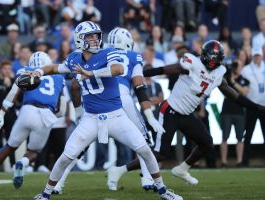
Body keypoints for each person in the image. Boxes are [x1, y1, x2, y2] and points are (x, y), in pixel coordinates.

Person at [32, 21, 182, 200]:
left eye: (96, 36)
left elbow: (118, 69)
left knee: (145, 151)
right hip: (91, 118)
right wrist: (37, 73)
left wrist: (91, 73)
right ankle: (45, 194)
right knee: (66, 157)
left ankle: (163, 190)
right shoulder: (74, 59)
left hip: (116, 115)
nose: (95, 39)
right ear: (80, 40)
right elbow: (54, 68)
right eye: (90, 36)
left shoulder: (108, 53)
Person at [107, 40, 265, 186]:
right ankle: (119, 170)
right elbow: (164, 69)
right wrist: (137, 75)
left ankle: (182, 169)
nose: (211, 63)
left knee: (207, 143)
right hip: (170, 111)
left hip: (187, 114)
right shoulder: (192, 63)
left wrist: (258, 107)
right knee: (161, 154)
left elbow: (235, 96)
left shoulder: (219, 74)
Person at [0, 52, 65, 190]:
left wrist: (1, 113)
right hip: (46, 114)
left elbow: (13, 93)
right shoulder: (58, 77)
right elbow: (61, 109)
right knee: (34, 151)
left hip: (27, 110)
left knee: (9, 146)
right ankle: (22, 162)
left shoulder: (25, 71)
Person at [220, 60, 249, 167]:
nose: (238, 67)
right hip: (226, 111)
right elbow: (223, 91)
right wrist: (230, 79)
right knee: (224, 137)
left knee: (240, 138)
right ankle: (223, 162)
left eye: (239, 65)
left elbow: (244, 92)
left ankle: (239, 161)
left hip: (239, 112)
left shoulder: (244, 80)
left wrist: (233, 82)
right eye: (236, 66)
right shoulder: (226, 79)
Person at [241, 46, 265, 167]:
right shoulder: (246, 69)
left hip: (264, 106)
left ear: (261, 56)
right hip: (252, 105)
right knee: (248, 134)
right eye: (255, 56)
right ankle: (245, 161)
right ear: (253, 56)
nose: (257, 58)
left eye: (258, 55)